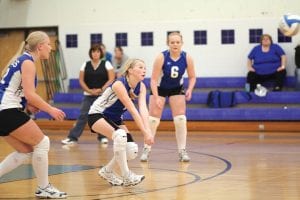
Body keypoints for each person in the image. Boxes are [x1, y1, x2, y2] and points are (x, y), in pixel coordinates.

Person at [0, 31, 67, 198]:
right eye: (49, 45)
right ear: (40, 46)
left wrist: (29, 105)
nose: (51, 49)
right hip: (7, 110)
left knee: (25, 151)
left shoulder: (22, 60)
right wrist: (50, 109)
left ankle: (43, 187)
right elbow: (30, 94)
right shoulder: (27, 62)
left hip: (4, 110)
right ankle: (44, 187)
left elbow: (18, 91)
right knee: (42, 142)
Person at [87, 58, 154, 186]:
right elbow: (133, 110)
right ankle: (126, 175)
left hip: (115, 119)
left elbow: (143, 110)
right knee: (120, 135)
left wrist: (148, 131)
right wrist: (145, 133)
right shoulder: (119, 84)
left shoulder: (142, 86)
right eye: (140, 67)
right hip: (97, 115)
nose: (144, 70)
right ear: (130, 70)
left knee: (131, 150)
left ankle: (107, 171)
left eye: (145, 68)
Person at [140, 31, 196, 162]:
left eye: (177, 42)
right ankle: (146, 149)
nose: (175, 44)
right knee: (153, 120)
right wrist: (157, 97)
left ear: (181, 43)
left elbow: (192, 77)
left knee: (180, 119)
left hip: (176, 88)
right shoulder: (161, 57)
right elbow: (153, 79)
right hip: (159, 88)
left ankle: (182, 151)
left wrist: (190, 89)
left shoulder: (187, 57)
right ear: (168, 44)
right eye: (172, 42)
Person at [61, 44, 115, 145]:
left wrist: (101, 89)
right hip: (88, 95)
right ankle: (72, 138)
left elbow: (111, 78)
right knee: (83, 115)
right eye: (93, 51)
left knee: (100, 116)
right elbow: (81, 80)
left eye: (98, 51)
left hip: (101, 95)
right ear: (91, 53)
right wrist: (89, 91)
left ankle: (102, 137)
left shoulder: (107, 64)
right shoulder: (85, 64)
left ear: (101, 53)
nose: (95, 53)